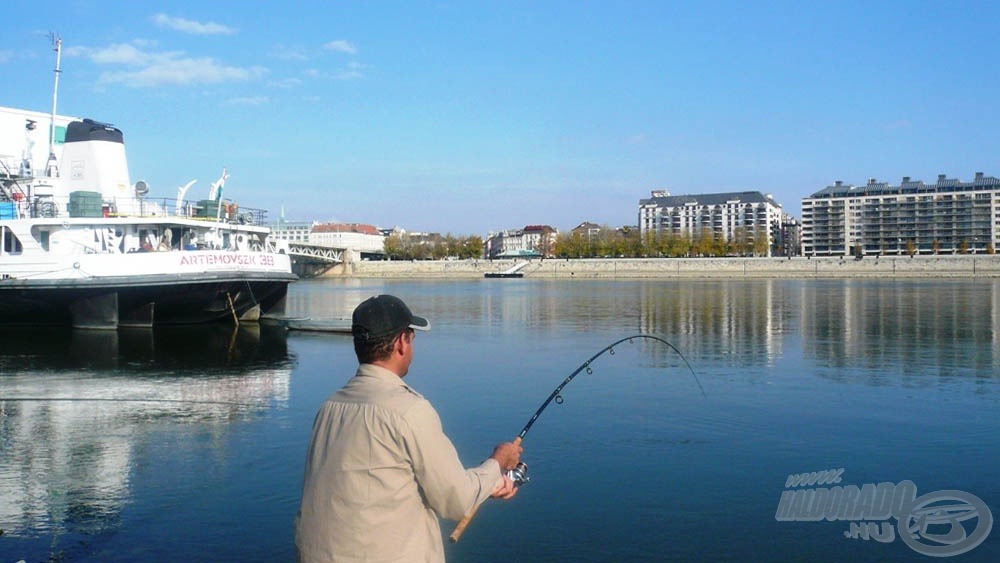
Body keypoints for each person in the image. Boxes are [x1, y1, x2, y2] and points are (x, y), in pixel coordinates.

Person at [295, 294, 522, 562]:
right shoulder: (408, 411)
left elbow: (375, 484)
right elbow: (457, 500)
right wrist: (498, 463)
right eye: (412, 340)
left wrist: (487, 482)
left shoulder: (329, 408)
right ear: (402, 342)